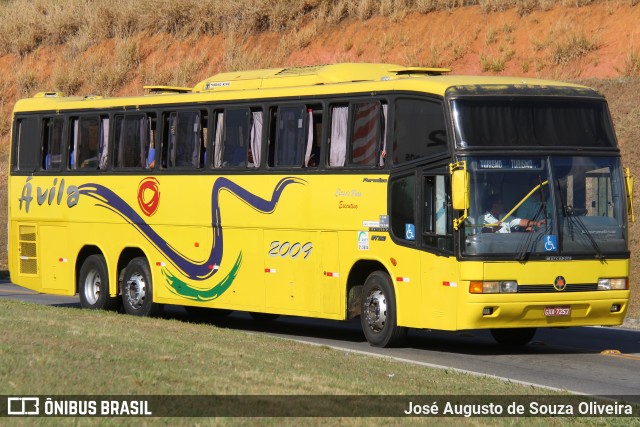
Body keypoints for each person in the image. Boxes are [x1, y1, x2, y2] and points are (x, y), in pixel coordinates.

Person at [479, 194, 544, 233]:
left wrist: (536, 223)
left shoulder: (505, 216)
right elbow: (482, 231)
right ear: (495, 205)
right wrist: (493, 229)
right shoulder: (483, 218)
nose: (503, 205)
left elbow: (520, 221)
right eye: (501, 203)